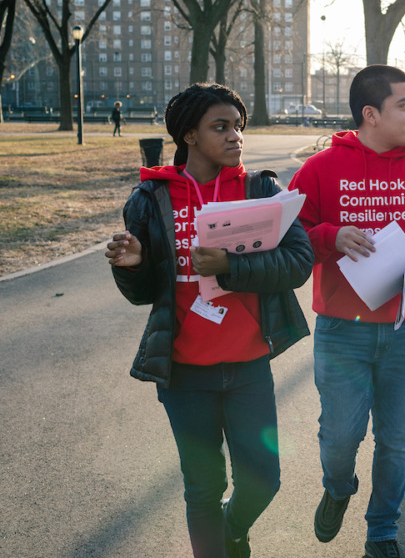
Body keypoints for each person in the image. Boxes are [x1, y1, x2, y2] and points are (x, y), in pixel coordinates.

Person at [106, 83, 313, 558]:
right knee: (202, 486)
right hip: (182, 372)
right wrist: (133, 264)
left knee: (264, 479)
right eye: (220, 127)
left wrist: (230, 267)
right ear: (189, 136)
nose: (234, 136)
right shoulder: (151, 198)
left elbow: (298, 264)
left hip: (249, 367)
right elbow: (142, 295)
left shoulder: (262, 190)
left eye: (238, 126)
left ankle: (233, 527)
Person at [288, 65, 405, 558]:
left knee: (395, 441)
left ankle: (382, 530)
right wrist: (330, 235)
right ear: (370, 114)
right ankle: (338, 487)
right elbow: (287, 235)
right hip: (341, 332)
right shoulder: (322, 169)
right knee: (341, 435)